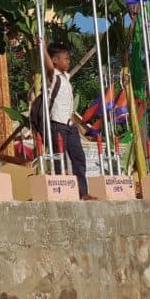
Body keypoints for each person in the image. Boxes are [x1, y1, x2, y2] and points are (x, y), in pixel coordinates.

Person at [43, 42, 94, 200]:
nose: (68, 61)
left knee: (78, 157)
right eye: (65, 59)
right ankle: (61, 191)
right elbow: (48, 65)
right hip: (57, 123)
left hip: (70, 126)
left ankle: (82, 192)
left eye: (68, 59)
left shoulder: (66, 78)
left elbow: (70, 108)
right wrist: (42, 46)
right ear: (54, 60)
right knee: (59, 158)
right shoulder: (53, 76)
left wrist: (80, 128)